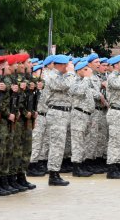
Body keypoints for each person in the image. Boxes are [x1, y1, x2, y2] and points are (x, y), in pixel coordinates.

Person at [45, 55, 76, 186]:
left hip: (63, 113)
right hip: (57, 113)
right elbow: (66, 85)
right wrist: (71, 73)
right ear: (62, 65)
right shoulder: (52, 76)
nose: (68, 67)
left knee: (59, 145)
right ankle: (53, 175)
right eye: (67, 65)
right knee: (56, 145)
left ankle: (55, 172)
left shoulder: (60, 76)